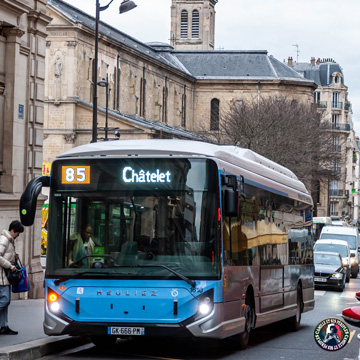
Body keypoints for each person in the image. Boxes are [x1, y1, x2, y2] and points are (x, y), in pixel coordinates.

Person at [0, 220, 24, 335]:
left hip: (5, 276)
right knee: (5, 300)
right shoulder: (4, 239)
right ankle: (3, 325)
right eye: (18, 232)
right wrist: (10, 265)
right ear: (13, 230)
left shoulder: (10, 241)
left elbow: (5, 256)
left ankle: (4, 326)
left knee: (6, 301)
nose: (18, 235)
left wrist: (14, 257)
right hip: (1, 276)